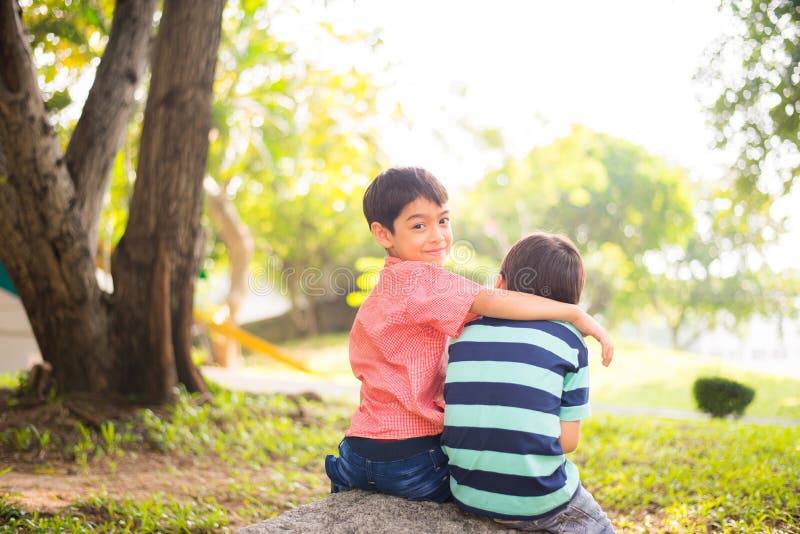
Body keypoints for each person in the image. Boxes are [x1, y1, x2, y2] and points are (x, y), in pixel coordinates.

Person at [325, 167, 613, 503]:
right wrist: (573, 312)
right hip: (412, 455)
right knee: (476, 492)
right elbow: (494, 301)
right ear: (384, 234)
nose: (437, 236)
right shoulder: (423, 280)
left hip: (357, 452)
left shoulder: (382, 293)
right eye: (419, 225)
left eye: (443, 221)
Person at [441, 232, 615, 533]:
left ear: (499, 283)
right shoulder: (569, 341)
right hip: (539, 500)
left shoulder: (462, 332)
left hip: (468, 493)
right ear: (571, 298)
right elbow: (568, 442)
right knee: (600, 527)